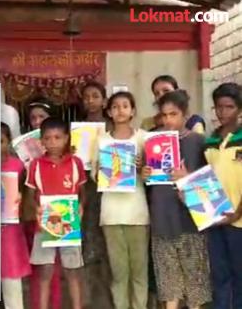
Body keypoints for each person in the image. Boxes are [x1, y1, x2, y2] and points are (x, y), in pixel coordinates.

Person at [141, 90, 211, 309]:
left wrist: (187, 177)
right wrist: (144, 174)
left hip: (191, 223)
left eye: (173, 114)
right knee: (168, 283)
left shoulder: (200, 142)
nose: (168, 120)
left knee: (194, 283)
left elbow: (211, 188)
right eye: (164, 115)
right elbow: (150, 183)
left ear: (185, 114)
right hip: (162, 220)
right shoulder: (152, 142)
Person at [25, 117, 87, 309]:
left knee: (72, 272)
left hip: (69, 223)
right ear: (41, 141)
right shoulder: (35, 165)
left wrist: (81, 206)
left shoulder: (75, 163)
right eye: (48, 138)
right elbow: (29, 195)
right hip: (44, 224)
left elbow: (82, 193)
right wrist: (35, 208)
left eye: (58, 137)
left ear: (67, 138)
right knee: (45, 271)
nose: (53, 143)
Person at [99, 91, 149, 309]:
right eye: (116, 106)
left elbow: (154, 174)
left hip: (137, 213)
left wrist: (142, 169)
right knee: (119, 272)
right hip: (110, 214)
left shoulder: (144, 138)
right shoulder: (102, 140)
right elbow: (94, 174)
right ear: (109, 111)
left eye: (125, 105)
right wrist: (104, 170)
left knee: (139, 271)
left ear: (133, 111)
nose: (120, 110)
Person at [205, 82, 242, 309]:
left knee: (240, 276)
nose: (222, 112)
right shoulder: (210, 142)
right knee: (219, 276)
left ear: (239, 109)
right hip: (215, 219)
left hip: (239, 221)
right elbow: (204, 180)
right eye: (219, 107)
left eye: (229, 107)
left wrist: (237, 213)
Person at [24, 96, 62, 309]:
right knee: (37, 268)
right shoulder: (22, 147)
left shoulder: (62, 152)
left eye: (42, 117)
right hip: (32, 215)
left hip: (56, 214)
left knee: (53, 269)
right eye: (33, 118)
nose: (37, 121)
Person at [79, 81, 114, 309]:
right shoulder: (78, 130)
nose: (90, 100)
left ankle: (112, 299)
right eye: (86, 97)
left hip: (111, 190)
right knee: (90, 244)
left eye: (95, 96)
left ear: (103, 100)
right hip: (88, 190)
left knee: (110, 247)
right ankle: (92, 299)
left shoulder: (114, 127)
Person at [1, 122, 31, 309]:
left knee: (11, 274)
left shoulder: (18, 165)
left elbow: (27, 192)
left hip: (12, 227)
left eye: (2, 141)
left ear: (9, 141)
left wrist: (21, 199)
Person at [141, 75, 205, 134]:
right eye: (157, 93)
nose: (161, 95)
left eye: (166, 91)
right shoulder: (147, 123)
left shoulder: (193, 122)